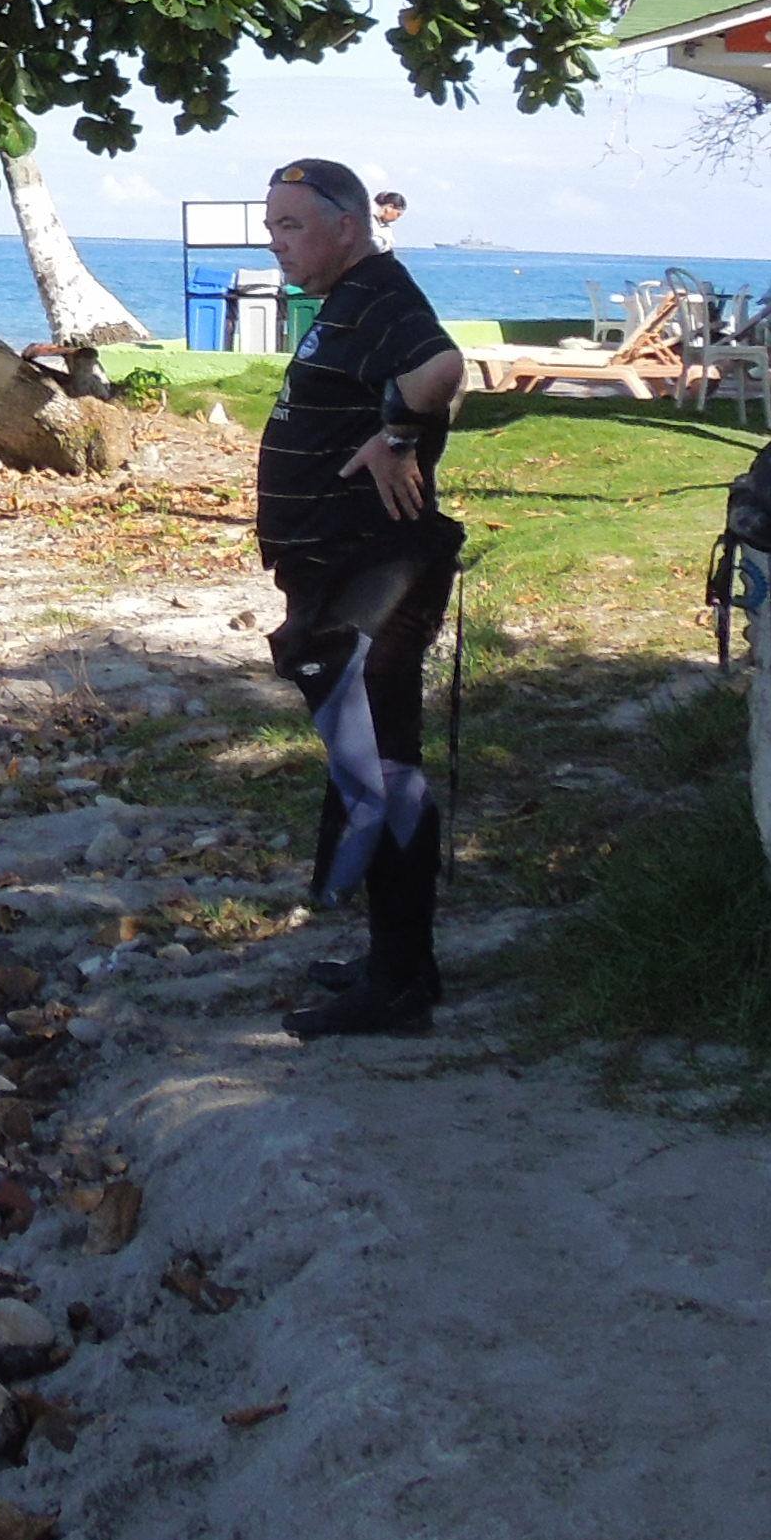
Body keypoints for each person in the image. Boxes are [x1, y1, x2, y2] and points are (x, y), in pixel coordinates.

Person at [254, 156, 466, 1037]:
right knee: (365, 770)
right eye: (269, 227)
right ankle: (393, 957)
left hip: (374, 575)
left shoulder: (377, 290)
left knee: (383, 774)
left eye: (291, 226)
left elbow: (440, 370)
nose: (276, 243)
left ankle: (401, 986)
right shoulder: (346, 300)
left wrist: (396, 439)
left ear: (347, 225)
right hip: (339, 574)